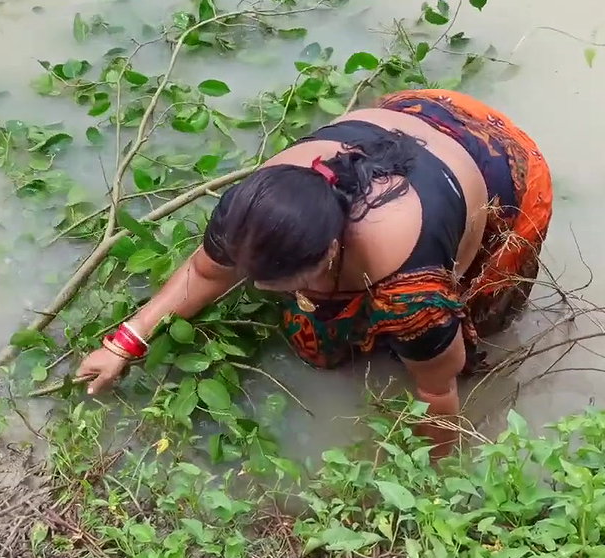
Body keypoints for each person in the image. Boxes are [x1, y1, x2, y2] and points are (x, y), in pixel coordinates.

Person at [74, 89, 553, 460]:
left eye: (293, 284)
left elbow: (437, 392)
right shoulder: (249, 212)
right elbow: (205, 272)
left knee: (463, 334)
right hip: (406, 117)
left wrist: (427, 484)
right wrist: (123, 344)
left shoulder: (412, 289)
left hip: (493, 162)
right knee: (318, 342)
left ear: (331, 251)